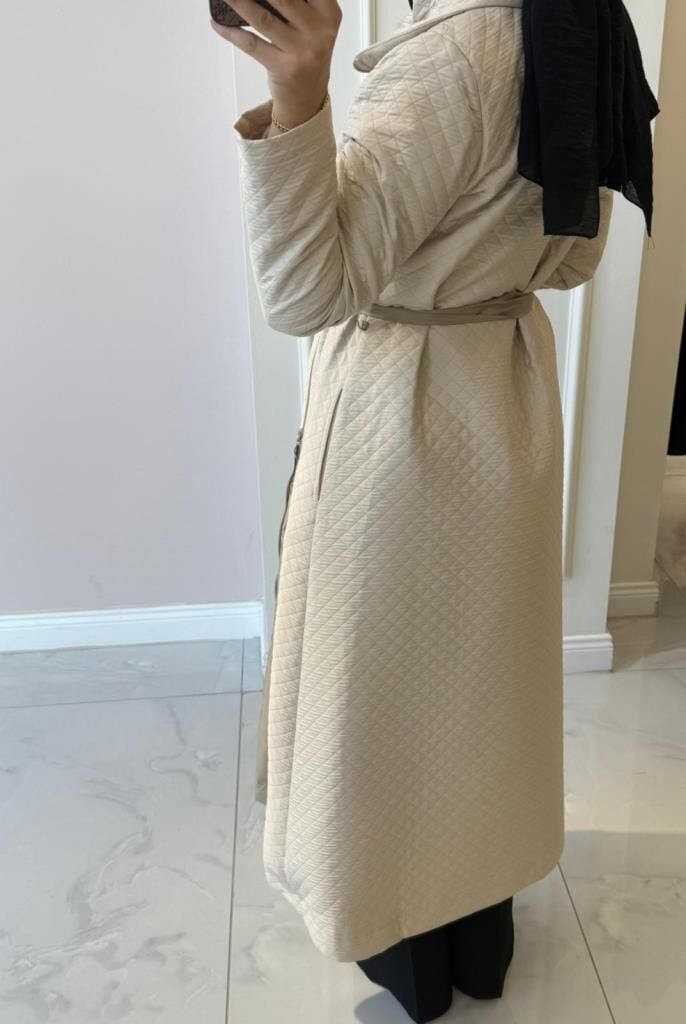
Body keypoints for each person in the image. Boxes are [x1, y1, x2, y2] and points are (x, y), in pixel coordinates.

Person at [212, 1, 658, 1021]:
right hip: (505, 383)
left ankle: (401, 939)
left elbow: (305, 292)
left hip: (398, 406)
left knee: (376, 691)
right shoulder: (584, 22)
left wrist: (296, 96)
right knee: (480, 678)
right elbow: (570, 257)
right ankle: (481, 933)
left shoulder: (442, 58)